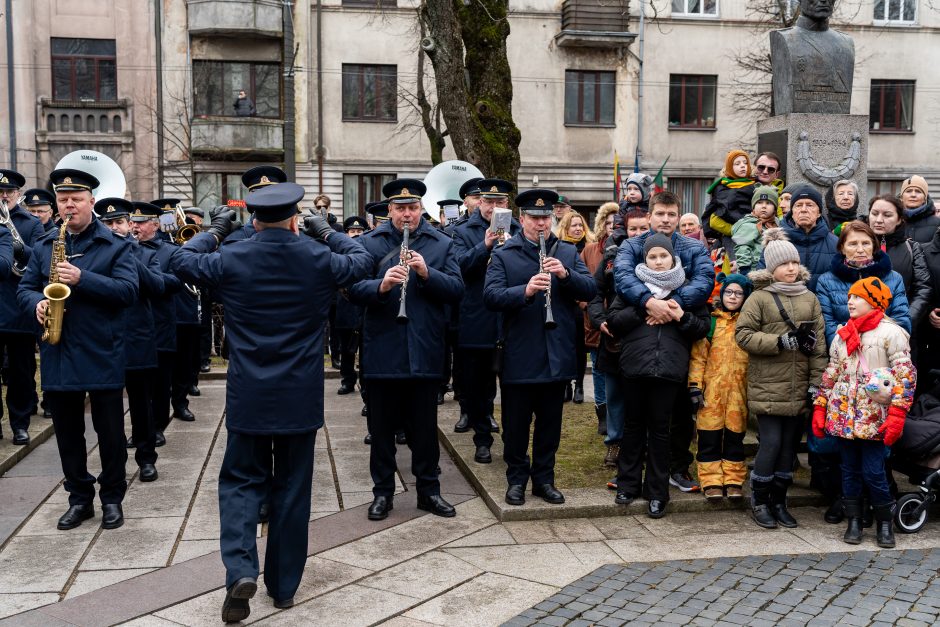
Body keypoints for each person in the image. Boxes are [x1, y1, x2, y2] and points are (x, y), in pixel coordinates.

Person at [170, 182, 370, 622]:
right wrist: (324, 231)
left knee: (241, 482)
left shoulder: (231, 257)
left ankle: (242, 569)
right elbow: (363, 258)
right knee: (294, 490)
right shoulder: (319, 258)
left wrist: (217, 229)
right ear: (295, 218)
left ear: (254, 219)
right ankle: (283, 587)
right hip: (300, 395)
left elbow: (179, 259)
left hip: (249, 394)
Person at [18, 168, 138, 531]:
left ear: (92, 202)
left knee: (111, 433)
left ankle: (112, 497)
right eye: (63, 200)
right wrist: (37, 302)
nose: (69, 205)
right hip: (58, 351)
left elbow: (128, 292)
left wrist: (83, 278)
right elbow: (25, 287)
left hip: (102, 350)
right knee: (68, 434)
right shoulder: (44, 246)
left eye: (77, 199)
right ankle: (79, 499)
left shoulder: (116, 245)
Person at [347, 178, 464, 521]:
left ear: (421, 209)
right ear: (389, 211)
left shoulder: (441, 244)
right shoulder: (368, 244)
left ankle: (429, 491)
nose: (407, 215)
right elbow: (352, 289)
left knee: (425, 430)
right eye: (400, 209)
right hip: (383, 350)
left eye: (413, 208)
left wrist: (428, 274)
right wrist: (381, 286)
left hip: (425, 349)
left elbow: (457, 290)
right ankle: (383, 493)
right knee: (381, 430)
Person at [484, 188, 596, 506]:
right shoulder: (505, 254)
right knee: (516, 427)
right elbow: (491, 297)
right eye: (534, 218)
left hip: (556, 353)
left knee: (550, 426)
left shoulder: (568, 252)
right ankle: (516, 479)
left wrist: (566, 274)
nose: (541, 223)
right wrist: (526, 290)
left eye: (546, 217)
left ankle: (544, 480)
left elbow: (590, 288)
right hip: (520, 354)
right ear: (523, 219)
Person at [613, 191, 713, 493]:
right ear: (650, 215)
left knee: (678, 416)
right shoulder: (632, 245)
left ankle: (677, 468)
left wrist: (668, 304)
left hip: (676, 340)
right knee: (635, 419)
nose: (666, 220)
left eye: (672, 214)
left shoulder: (694, 247)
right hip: (640, 341)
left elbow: (704, 281)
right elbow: (623, 278)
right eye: (660, 214)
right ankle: (629, 477)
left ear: (679, 216)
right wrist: (647, 301)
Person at [813, 277, 916, 548]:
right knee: (848, 470)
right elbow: (833, 371)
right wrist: (821, 405)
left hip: (874, 418)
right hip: (845, 415)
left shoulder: (891, 333)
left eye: (857, 297)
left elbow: (905, 375)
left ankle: (884, 521)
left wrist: (897, 415)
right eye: (849, 297)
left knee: (873, 471)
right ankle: (854, 521)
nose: (850, 301)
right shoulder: (843, 332)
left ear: (874, 302)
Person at [736, 228, 827, 530]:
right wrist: (780, 342)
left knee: (789, 447)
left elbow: (819, 345)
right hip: (768, 385)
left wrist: (816, 382)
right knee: (771, 444)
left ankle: (779, 500)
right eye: (784, 264)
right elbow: (744, 335)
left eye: (793, 263)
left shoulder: (810, 298)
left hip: (799, 384)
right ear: (771, 268)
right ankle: (759, 500)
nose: (790, 268)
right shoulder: (759, 298)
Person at [451, 178, 518, 464]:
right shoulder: (462, 231)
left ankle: (512, 442)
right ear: (479, 202)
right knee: (478, 387)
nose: (493, 207)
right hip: (477, 318)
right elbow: (458, 267)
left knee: (514, 386)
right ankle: (482, 439)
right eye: (488, 201)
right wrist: (485, 245)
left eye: (500, 202)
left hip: (511, 319)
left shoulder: (517, 230)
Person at [98, 199, 164, 482]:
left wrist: (129, 255)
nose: (115, 228)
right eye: (109, 223)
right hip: (105, 339)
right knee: (108, 408)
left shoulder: (147, 254)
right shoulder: (97, 253)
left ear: (129, 226)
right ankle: (114, 464)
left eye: (120, 223)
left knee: (141, 403)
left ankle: (146, 457)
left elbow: (157, 286)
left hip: (137, 337)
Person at [688, 273, 752, 501]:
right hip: (711, 392)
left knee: (735, 437)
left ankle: (734, 479)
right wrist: (695, 386)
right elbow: (698, 358)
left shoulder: (748, 324)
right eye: (729, 292)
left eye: (738, 293)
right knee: (709, 437)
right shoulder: (712, 322)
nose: (733, 297)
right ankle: (711, 479)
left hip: (738, 392)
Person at [0, 169, 45, 444]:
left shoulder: (30, 223)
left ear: (18, 194)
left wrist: (17, 246)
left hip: (18, 307)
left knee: (20, 372)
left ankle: (19, 423)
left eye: (8, 192)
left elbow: (41, 257)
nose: (3, 197)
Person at [132, 202, 181, 448]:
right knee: (139, 385)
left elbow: (175, 282)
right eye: (133, 222)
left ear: (155, 224)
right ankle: (140, 429)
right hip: (134, 326)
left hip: (160, 323)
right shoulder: (121, 248)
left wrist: (149, 277)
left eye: (141, 223)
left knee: (161, 382)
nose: (136, 227)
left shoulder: (170, 251)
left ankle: (158, 426)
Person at [815, 221, 910, 347]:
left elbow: (901, 319)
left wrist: (874, 347)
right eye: (853, 244)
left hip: (884, 350)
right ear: (842, 248)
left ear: (874, 247)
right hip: (844, 352)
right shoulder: (826, 281)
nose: (860, 250)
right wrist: (848, 348)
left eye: (865, 243)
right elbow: (828, 324)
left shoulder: (894, 278)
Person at [867, 194, 933, 334]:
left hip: (901, 330)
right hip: (861, 328)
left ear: (899, 220)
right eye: (874, 213)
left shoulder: (912, 248)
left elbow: (923, 289)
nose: (879, 220)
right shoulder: (856, 246)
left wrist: (905, 321)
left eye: (887, 215)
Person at [581, 202, 618, 443]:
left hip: (620, 321)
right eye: (609, 223)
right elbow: (583, 283)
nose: (613, 228)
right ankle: (602, 413)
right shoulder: (591, 250)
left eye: (617, 224)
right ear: (602, 225)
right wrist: (588, 307)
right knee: (598, 369)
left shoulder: (628, 249)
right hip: (597, 321)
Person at [768, 185, 838, 293]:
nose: (803, 210)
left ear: (819, 212)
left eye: (810, 205)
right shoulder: (776, 242)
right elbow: (765, 280)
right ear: (792, 212)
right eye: (798, 205)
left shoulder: (835, 243)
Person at [557, 210, 594, 404]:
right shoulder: (558, 247)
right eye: (574, 225)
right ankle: (565, 385)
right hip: (564, 304)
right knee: (564, 346)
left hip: (582, 306)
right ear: (566, 228)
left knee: (580, 348)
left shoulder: (589, 246)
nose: (578, 228)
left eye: (581, 225)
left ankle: (579, 384)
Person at [335, 216, 369, 396]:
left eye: (359, 231)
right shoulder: (340, 252)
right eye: (352, 231)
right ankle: (347, 380)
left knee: (365, 350)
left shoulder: (367, 250)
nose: (355, 235)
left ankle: (365, 385)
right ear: (346, 234)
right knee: (346, 348)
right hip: (346, 306)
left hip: (363, 306)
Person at [703, 150, 757, 261]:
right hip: (730, 235)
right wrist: (733, 230)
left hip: (753, 231)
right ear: (729, 167)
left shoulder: (755, 185)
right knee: (736, 262)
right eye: (737, 164)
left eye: (745, 163)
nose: (742, 166)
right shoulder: (721, 187)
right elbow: (713, 216)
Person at [732, 185, 780, 276]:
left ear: (775, 208)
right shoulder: (749, 224)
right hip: (753, 271)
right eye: (760, 202)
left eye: (768, 203)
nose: (764, 206)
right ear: (753, 207)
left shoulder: (777, 224)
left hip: (773, 269)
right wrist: (745, 269)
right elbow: (742, 247)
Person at [900, 175, 939, 244]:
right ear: (901, 197)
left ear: (925, 198)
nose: (913, 195)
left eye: (918, 191)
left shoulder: (937, 224)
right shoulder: (893, 222)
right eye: (908, 191)